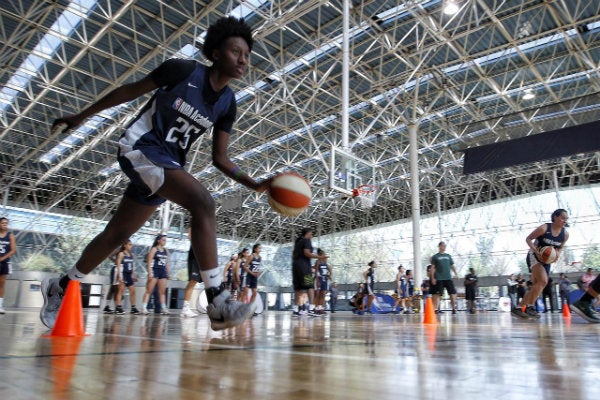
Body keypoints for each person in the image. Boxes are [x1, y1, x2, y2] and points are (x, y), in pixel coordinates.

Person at [40, 17, 268, 330]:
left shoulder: (228, 103)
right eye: (235, 52)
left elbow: (221, 158)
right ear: (216, 53)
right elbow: (129, 91)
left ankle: (61, 285)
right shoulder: (183, 70)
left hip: (167, 164)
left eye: (246, 54)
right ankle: (217, 301)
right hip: (141, 148)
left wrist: (254, 183)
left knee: (117, 235)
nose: (243, 59)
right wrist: (82, 116)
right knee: (204, 203)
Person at [512, 209, 569, 319]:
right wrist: (535, 251)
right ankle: (530, 307)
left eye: (566, 219)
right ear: (555, 217)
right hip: (534, 256)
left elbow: (560, 247)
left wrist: (557, 254)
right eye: (562, 218)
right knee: (543, 281)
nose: (564, 221)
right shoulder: (544, 228)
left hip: (547, 261)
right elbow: (528, 239)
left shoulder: (565, 234)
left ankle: (518, 308)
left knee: (538, 285)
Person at [291, 228, 324, 317]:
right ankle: (311, 309)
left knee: (298, 289)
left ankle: (296, 309)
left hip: (295, 266)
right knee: (310, 286)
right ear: (308, 234)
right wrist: (319, 257)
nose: (312, 236)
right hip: (304, 267)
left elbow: (293, 255)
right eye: (311, 234)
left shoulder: (298, 243)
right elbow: (307, 253)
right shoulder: (307, 240)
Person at [141, 235, 170, 315]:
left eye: (165, 240)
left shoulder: (166, 250)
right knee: (149, 290)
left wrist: (168, 272)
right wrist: (150, 272)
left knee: (162, 292)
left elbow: (167, 263)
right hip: (155, 271)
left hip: (162, 271)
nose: (165, 241)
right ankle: (144, 307)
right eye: (163, 240)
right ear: (158, 241)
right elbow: (149, 262)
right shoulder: (154, 249)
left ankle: (163, 308)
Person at [431, 241, 459, 314]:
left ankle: (454, 308)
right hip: (439, 278)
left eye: (445, 246)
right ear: (439, 246)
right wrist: (433, 278)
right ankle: (436, 309)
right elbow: (433, 268)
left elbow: (452, 266)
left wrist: (456, 274)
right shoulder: (435, 256)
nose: (444, 247)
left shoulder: (448, 256)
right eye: (443, 246)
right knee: (438, 294)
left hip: (448, 278)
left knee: (452, 293)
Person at [180, 228, 202, 318]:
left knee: (194, 282)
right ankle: (185, 308)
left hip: (199, 258)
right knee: (192, 281)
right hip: (194, 257)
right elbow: (190, 235)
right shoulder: (195, 225)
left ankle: (185, 309)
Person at [115, 239, 140, 315]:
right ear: (124, 245)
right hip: (123, 274)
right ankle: (118, 307)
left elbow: (131, 267)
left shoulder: (131, 255)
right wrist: (119, 276)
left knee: (133, 291)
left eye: (131, 244)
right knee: (121, 291)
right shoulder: (121, 254)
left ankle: (133, 308)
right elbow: (118, 265)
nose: (131, 246)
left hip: (129, 275)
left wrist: (134, 276)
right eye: (129, 244)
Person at [0, 217, 17, 314]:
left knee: (1, 284)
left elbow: (13, 250)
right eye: (3, 223)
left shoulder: (10, 236)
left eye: (6, 223)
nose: (5, 224)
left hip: (4, 263)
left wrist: (2, 259)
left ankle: (0, 306)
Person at [314, 248, 331, 315]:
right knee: (317, 295)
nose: (325, 255)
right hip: (319, 279)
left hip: (325, 280)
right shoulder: (318, 262)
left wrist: (329, 275)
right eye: (324, 254)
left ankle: (321, 308)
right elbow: (316, 271)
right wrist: (317, 281)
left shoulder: (325, 263)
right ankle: (316, 308)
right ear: (321, 255)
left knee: (323, 295)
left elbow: (328, 271)